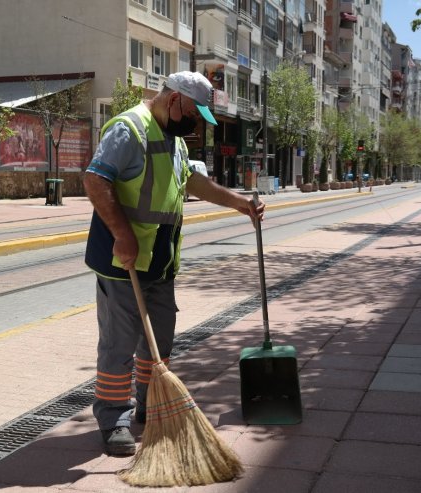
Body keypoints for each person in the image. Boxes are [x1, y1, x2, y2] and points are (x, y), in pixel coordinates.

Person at [83, 71, 265, 456]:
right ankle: (114, 417)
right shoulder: (129, 129)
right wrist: (123, 234)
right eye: (195, 113)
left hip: (159, 263)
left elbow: (192, 184)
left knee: (159, 343)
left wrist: (240, 204)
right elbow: (96, 180)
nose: (196, 121)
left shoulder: (173, 139)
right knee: (118, 346)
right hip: (124, 260)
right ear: (175, 100)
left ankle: (152, 405)